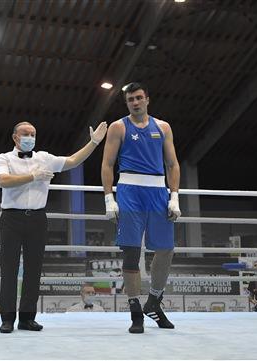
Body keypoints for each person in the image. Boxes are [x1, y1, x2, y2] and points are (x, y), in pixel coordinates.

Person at [0, 120, 107, 333]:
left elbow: (73, 161)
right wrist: (33, 177)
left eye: (33, 133)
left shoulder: (44, 158)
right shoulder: (4, 158)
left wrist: (93, 142)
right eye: (25, 133)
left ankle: (27, 318)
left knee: (33, 270)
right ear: (15, 137)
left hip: (37, 218)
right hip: (11, 218)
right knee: (8, 271)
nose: (29, 137)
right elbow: (2, 180)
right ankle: (7, 318)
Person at [101, 82, 181, 333]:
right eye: (130, 100)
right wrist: (109, 198)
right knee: (131, 253)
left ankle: (154, 302)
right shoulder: (118, 127)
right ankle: (136, 311)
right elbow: (107, 164)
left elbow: (173, 164)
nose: (135, 103)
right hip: (129, 191)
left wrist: (174, 197)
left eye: (138, 98)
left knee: (165, 249)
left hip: (158, 191)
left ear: (147, 99)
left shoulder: (163, 127)